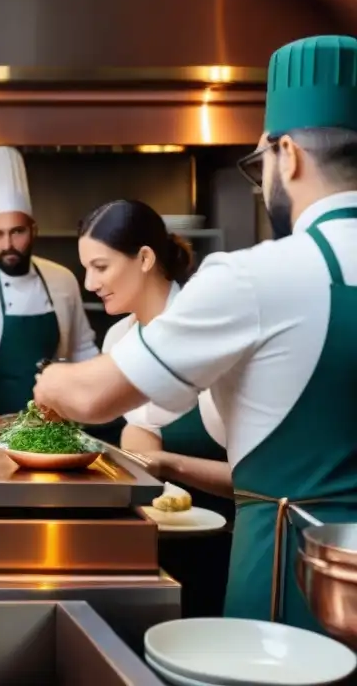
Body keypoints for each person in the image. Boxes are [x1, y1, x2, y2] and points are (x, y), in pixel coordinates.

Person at [34, 34, 357, 633]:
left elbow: (91, 398)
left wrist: (50, 379)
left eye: (262, 167)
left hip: (290, 584)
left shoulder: (256, 275)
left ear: (286, 155)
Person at [79, 198, 234, 617]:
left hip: (231, 544)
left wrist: (167, 465)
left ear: (144, 258)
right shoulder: (119, 338)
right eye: (86, 269)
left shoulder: (212, 328)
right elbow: (142, 427)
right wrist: (139, 461)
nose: (89, 283)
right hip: (161, 537)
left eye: (100, 267)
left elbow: (259, 481)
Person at [0, 146, 98, 425]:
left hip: (58, 422)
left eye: (17, 232)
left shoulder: (62, 279)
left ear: (34, 230)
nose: (8, 245)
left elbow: (82, 350)